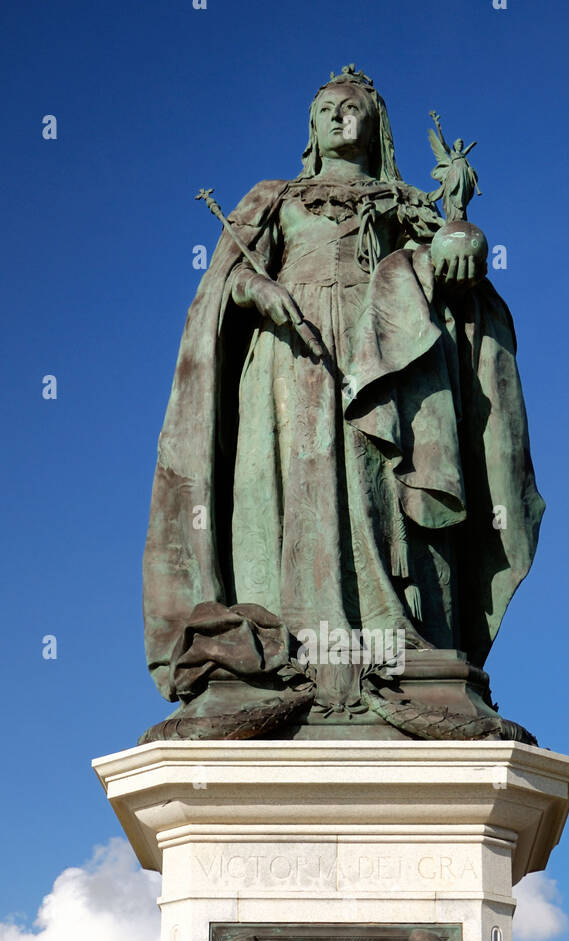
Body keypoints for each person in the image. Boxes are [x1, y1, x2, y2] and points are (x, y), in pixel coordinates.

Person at [143, 66, 544, 726]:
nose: (337, 118)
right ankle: (298, 649)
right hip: (289, 356)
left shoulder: (405, 201)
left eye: (350, 108)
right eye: (325, 109)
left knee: (382, 490)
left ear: (373, 123)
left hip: (388, 357)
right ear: (311, 126)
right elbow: (224, 283)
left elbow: (451, 271)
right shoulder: (276, 198)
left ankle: (399, 640)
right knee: (296, 494)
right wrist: (257, 290)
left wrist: (463, 237)